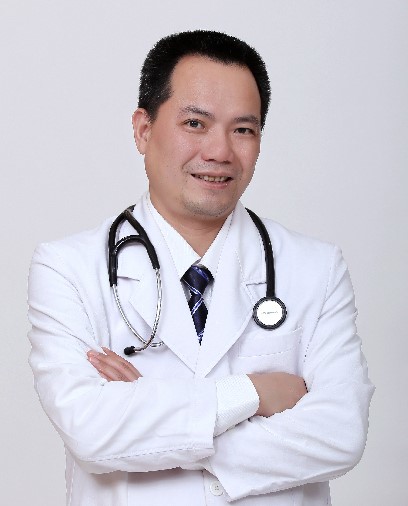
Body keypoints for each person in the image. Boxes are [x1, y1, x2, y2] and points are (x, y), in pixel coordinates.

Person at [28, 30, 374, 505]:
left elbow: (340, 435)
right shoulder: (68, 268)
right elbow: (91, 432)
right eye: (195, 123)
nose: (220, 152)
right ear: (143, 130)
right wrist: (253, 393)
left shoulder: (315, 268)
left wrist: (155, 414)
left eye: (243, 130)